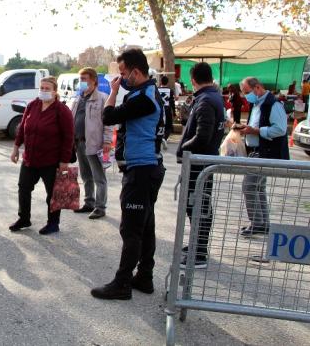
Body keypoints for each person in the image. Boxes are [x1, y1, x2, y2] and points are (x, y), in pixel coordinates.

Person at [91, 48, 165, 300]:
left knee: (131, 229)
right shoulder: (145, 93)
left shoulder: (144, 98)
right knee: (145, 226)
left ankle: (122, 283)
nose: (121, 79)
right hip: (145, 168)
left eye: (123, 74)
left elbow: (108, 116)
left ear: (136, 71)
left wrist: (112, 92)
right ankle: (144, 276)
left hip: (142, 171)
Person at [9, 76, 74, 235]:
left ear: (54, 91)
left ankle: (53, 223)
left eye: (47, 89)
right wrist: (16, 147)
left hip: (51, 160)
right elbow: (23, 127)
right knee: (23, 188)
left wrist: (64, 161)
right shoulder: (32, 105)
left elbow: (68, 137)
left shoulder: (62, 110)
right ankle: (24, 218)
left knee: (53, 193)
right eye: (42, 88)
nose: (44, 91)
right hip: (30, 158)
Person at [176, 62, 225, 269]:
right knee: (196, 205)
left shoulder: (205, 100)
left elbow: (202, 136)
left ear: (193, 80)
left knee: (198, 205)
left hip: (199, 162)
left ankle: (200, 253)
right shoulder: (212, 97)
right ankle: (197, 244)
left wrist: (182, 150)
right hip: (203, 161)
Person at [236, 76, 289, 237]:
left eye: (247, 92)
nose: (246, 96)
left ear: (257, 88)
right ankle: (263, 223)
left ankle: (257, 223)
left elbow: (280, 129)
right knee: (258, 187)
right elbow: (257, 125)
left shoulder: (273, 104)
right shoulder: (257, 104)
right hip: (256, 150)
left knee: (249, 186)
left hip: (265, 152)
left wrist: (257, 131)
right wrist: (247, 129)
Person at [71, 67, 113, 220]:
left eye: (84, 79)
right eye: (80, 79)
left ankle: (100, 207)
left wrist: (107, 141)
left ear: (93, 81)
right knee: (86, 175)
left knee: (99, 177)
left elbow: (108, 122)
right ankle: (89, 202)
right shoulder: (78, 98)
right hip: (80, 142)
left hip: (96, 144)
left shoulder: (103, 98)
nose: (81, 82)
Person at [158, 75, 176, 146]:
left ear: (161, 82)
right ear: (167, 82)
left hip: (159, 109)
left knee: (159, 124)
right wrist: (174, 112)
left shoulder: (157, 89)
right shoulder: (170, 90)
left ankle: (160, 137)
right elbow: (172, 102)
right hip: (167, 109)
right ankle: (165, 138)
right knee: (168, 125)